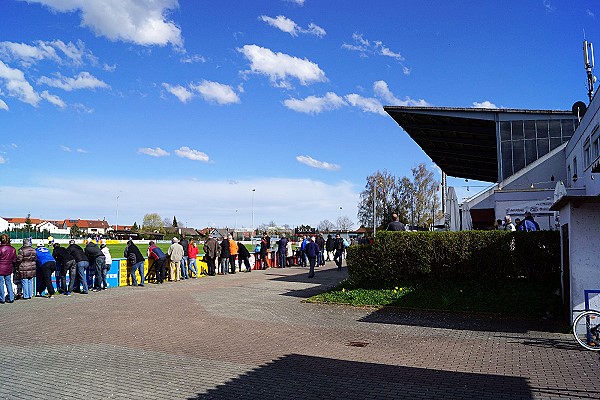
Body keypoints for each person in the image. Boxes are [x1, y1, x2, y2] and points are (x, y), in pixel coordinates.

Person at [0, 234, 16, 304]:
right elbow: (14, 260)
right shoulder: (12, 249)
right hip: (9, 267)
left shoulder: (0, 248)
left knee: (1, 283)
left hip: (1, 267)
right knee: (8, 283)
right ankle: (11, 297)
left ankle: (2, 298)